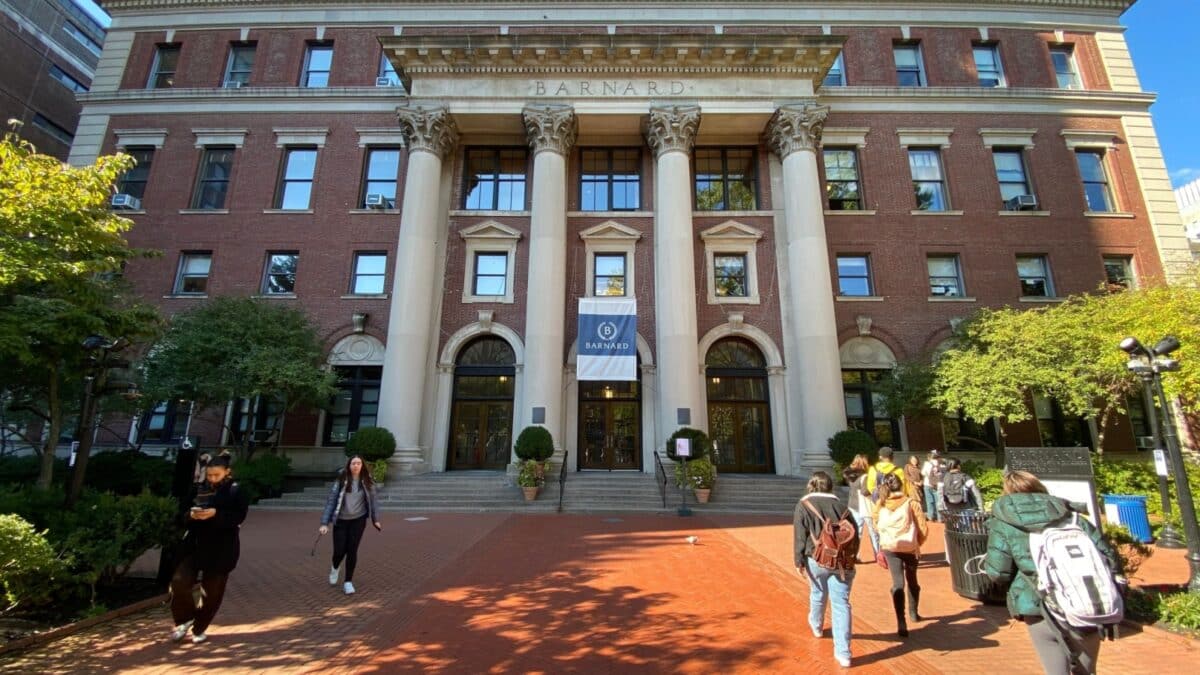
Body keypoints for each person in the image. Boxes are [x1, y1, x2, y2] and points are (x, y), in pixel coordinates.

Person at [984, 470, 1118, 675]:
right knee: (1087, 669)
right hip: (1087, 597)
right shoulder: (1072, 516)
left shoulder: (1004, 522)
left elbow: (998, 572)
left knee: (1055, 669)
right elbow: (1109, 557)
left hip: (1038, 602)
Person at [169, 452, 249, 644]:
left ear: (227, 472)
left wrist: (216, 514)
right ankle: (183, 619)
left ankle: (199, 627)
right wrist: (191, 515)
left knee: (211, 592)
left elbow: (238, 517)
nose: (212, 479)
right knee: (179, 582)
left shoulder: (235, 491)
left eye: (217, 475)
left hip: (221, 548)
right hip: (194, 545)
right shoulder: (197, 489)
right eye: (210, 475)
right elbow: (180, 513)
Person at [794, 471, 859, 669]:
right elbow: (855, 535)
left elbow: (799, 535)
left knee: (818, 593)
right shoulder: (842, 506)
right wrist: (852, 557)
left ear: (811, 485)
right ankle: (844, 653)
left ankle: (816, 625)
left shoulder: (804, 505)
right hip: (842, 561)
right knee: (841, 603)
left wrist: (798, 561)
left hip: (816, 558)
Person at [871, 472, 928, 638]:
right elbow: (923, 528)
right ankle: (913, 613)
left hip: (890, 547)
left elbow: (876, 526)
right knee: (913, 581)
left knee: (897, 583)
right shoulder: (911, 503)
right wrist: (917, 543)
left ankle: (900, 620)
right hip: (910, 547)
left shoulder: (881, 504)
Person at [320, 455, 382, 595]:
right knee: (339, 551)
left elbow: (373, 502)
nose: (356, 466)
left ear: (362, 466)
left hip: (358, 520)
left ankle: (348, 582)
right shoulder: (341, 481)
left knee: (352, 550)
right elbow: (331, 502)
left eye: (359, 463)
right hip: (341, 520)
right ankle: (335, 567)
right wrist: (324, 523)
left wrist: (375, 519)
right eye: (353, 463)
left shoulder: (367, 481)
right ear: (349, 465)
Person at [842, 454, 876, 561]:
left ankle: (854, 555)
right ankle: (878, 554)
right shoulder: (865, 476)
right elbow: (865, 491)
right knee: (873, 532)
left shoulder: (850, 477)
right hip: (865, 506)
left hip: (853, 505)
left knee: (857, 532)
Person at [920, 450, 945, 522]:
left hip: (927, 484)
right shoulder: (942, 464)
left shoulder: (927, 464)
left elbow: (923, 473)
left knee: (929, 501)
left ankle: (931, 517)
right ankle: (940, 518)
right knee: (939, 501)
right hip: (938, 485)